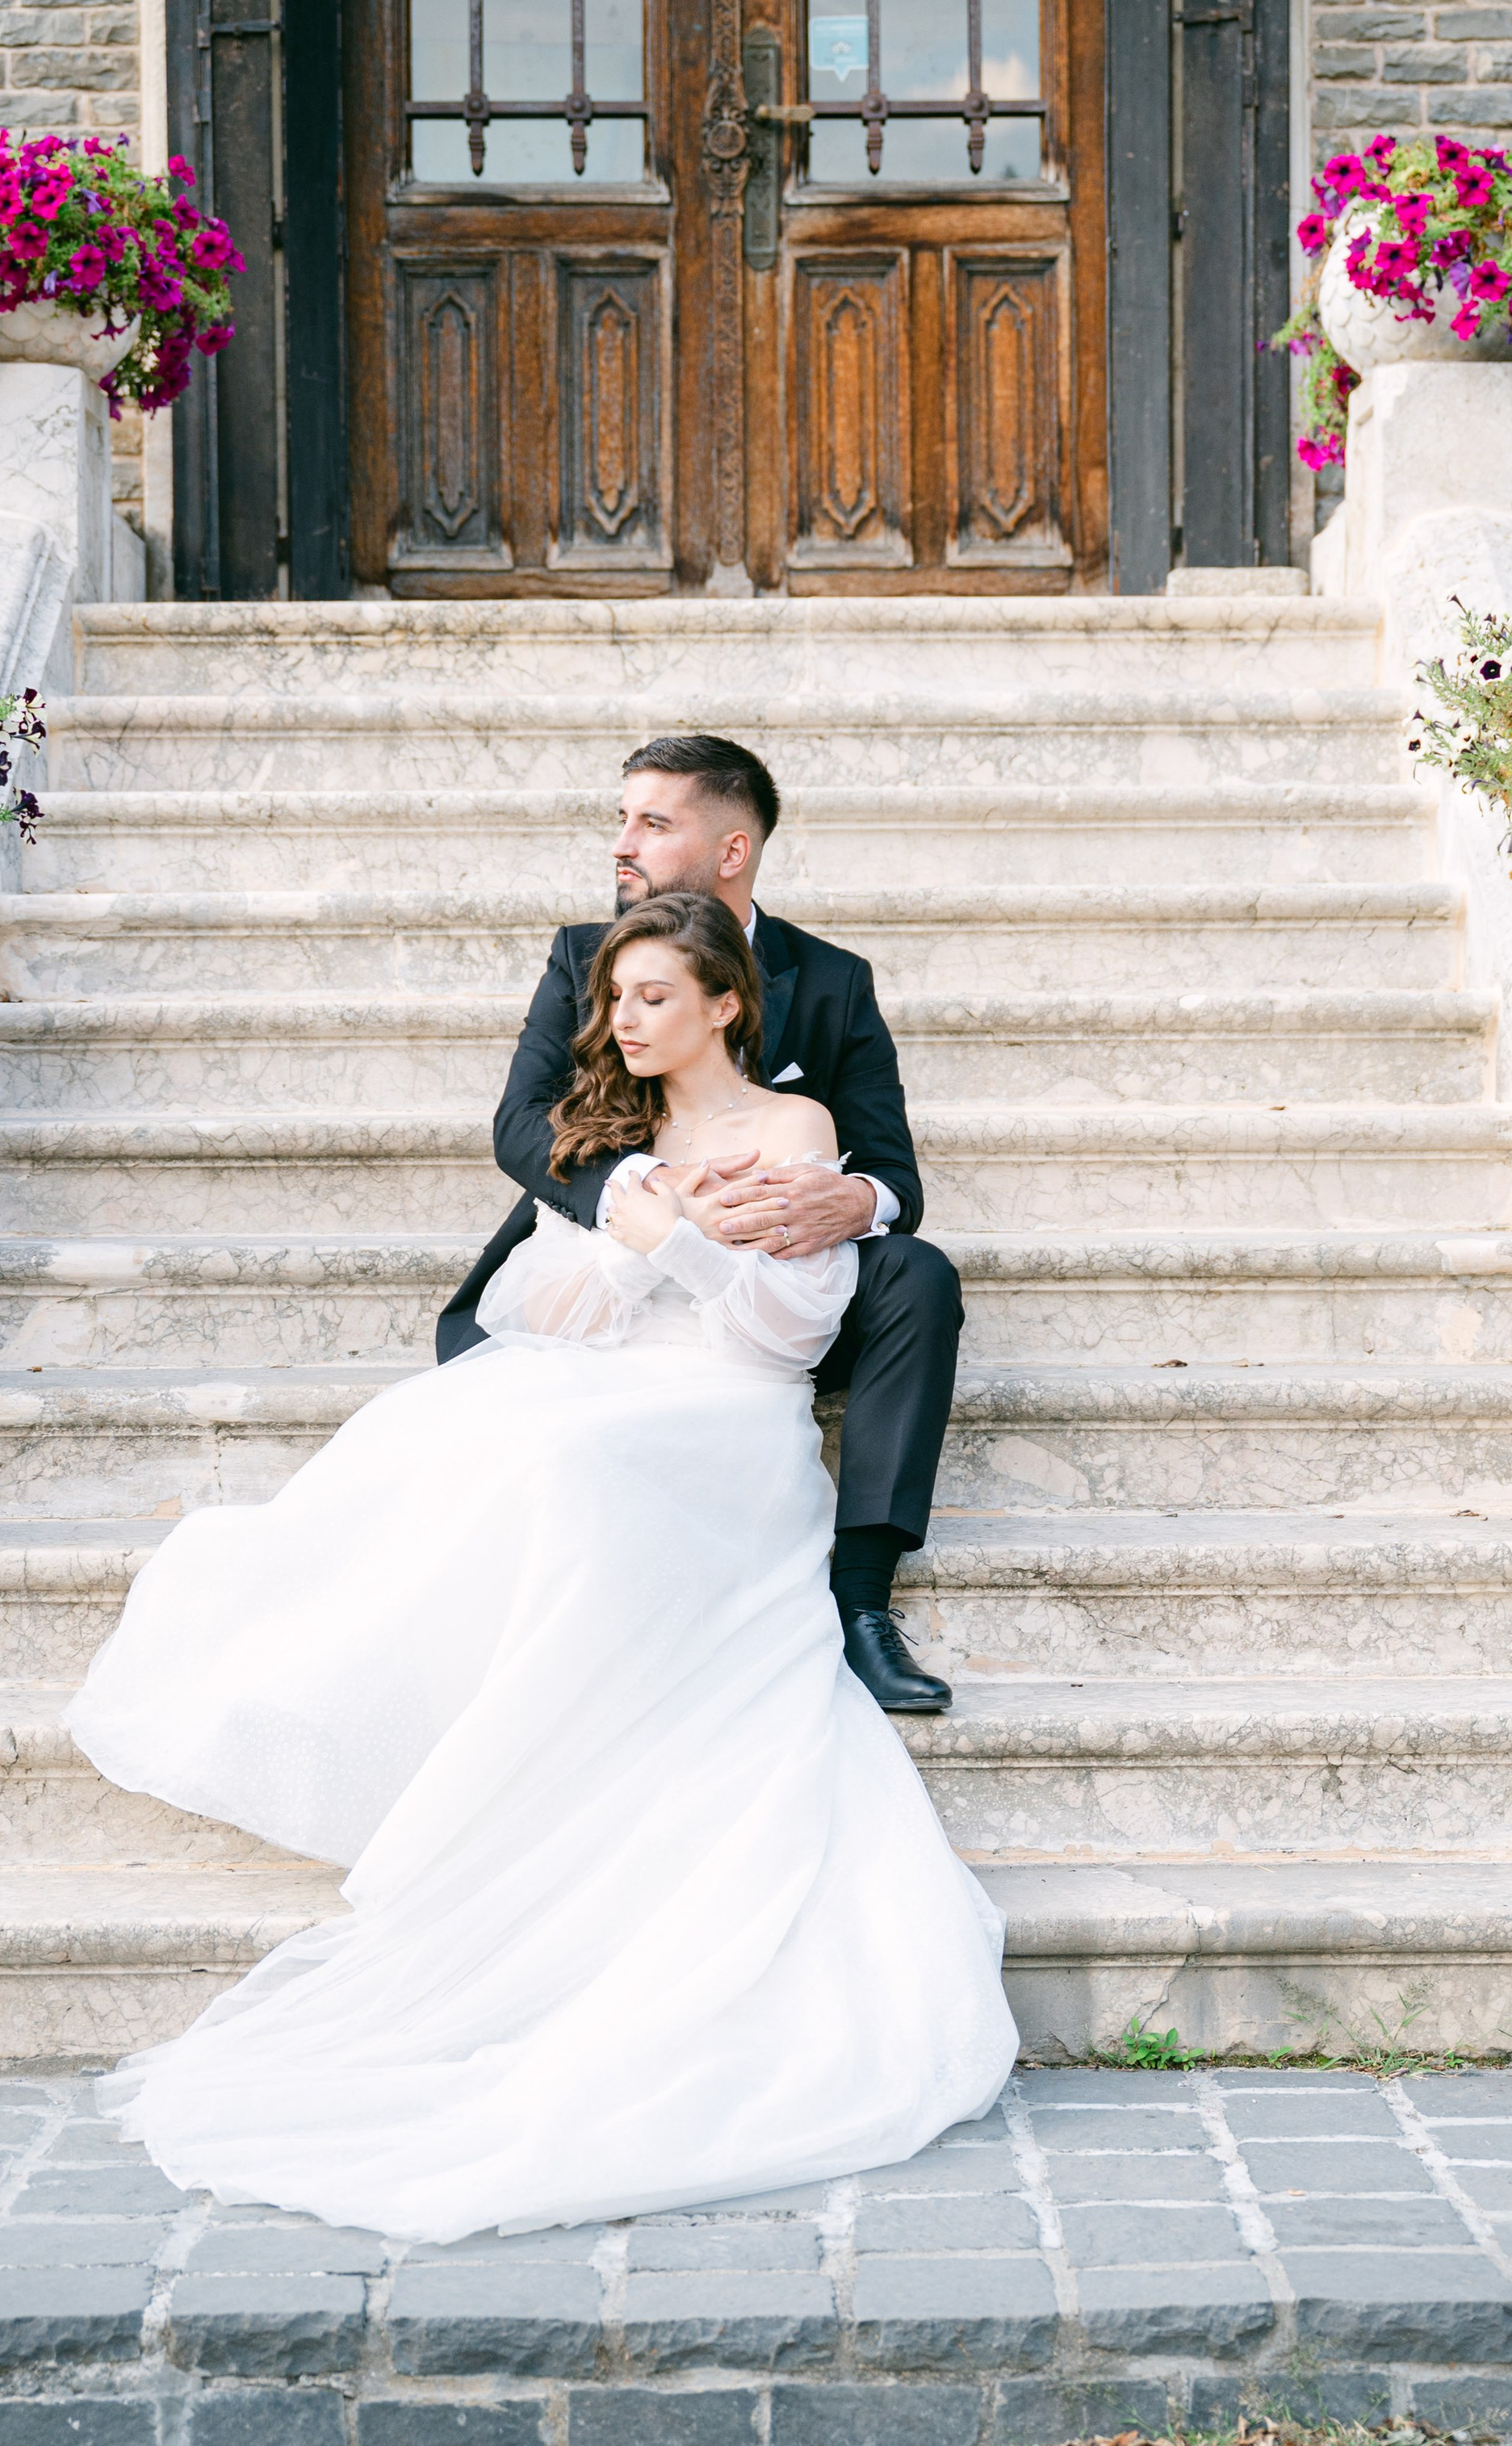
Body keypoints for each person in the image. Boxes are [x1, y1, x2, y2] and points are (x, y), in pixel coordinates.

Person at [66, 891, 1017, 2239]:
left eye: (650, 999)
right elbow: (551, 1305)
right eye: (614, 1000)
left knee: (580, 1469)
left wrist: (686, 1238)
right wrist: (640, 1223)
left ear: (725, 1005)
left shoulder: (796, 1133)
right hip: (613, 1379)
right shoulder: (616, 1142)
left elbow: (785, 1330)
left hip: (727, 1416)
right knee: (469, 1436)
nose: (620, 1021)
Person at [439, 732, 962, 1714]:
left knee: (918, 1271)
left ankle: (860, 1601)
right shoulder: (585, 955)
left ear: (731, 850)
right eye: (622, 816)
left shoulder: (834, 977)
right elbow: (522, 1125)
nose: (620, 842)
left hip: (768, 1273)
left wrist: (857, 1199)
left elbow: (892, 1168)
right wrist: (661, 1197)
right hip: (614, 1252)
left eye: (652, 820)